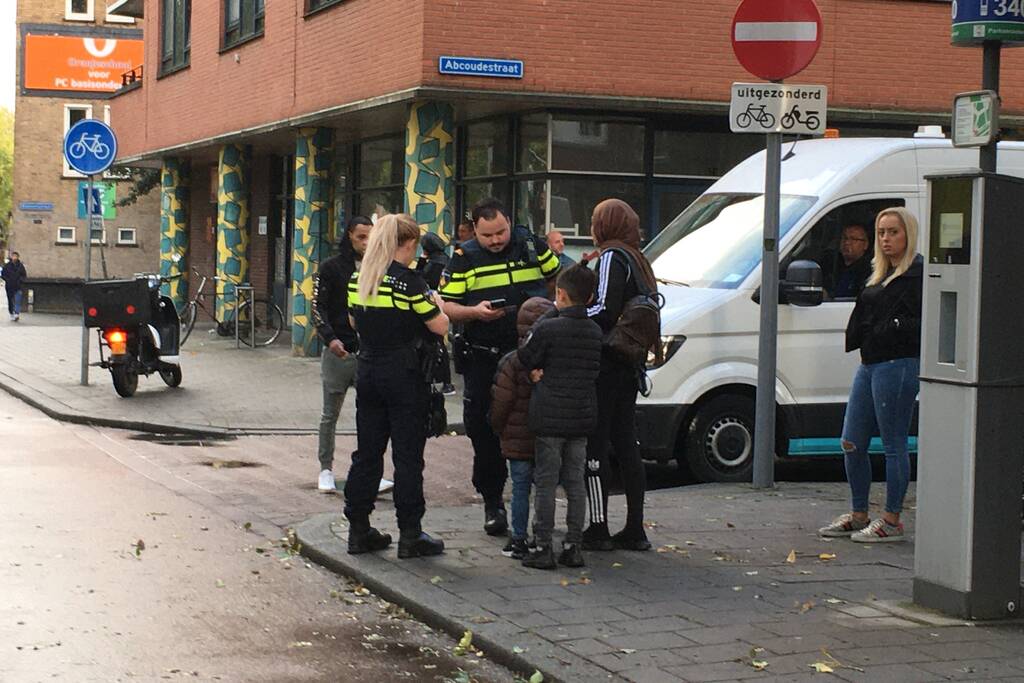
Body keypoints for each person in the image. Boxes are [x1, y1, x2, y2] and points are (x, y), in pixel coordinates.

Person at [440, 197, 561, 536]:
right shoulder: (464, 258)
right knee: (483, 427)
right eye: (487, 235)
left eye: (501, 232)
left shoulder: (531, 245)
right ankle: (493, 502)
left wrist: (542, 308)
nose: (495, 240)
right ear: (474, 231)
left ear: (510, 222)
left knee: (535, 426)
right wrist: (474, 313)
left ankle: (539, 507)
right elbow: (447, 306)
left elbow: (556, 279)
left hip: (530, 353)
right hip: (483, 355)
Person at [344, 213, 451, 558]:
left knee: (367, 453)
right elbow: (438, 327)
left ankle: (358, 529)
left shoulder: (359, 278)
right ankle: (410, 533)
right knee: (407, 456)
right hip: (404, 374)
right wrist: (438, 306)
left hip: (368, 370)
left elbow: (352, 320)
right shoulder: (408, 282)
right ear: (409, 244)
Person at [820, 207, 922, 543]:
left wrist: (891, 327)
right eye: (881, 232)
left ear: (908, 234)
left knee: (893, 443)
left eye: (893, 232)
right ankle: (859, 512)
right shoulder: (878, 272)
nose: (886, 239)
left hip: (898, 362)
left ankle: (891, 519)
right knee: (851, 440)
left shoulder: (918, 273)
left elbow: (925, 321)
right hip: (870, 362)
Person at [583, 199, 658, 552]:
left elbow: (603, 309)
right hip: (630, 363)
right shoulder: (638, 258)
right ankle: (635, 528)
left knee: (596, 444)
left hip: (607, 363)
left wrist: (569, 314)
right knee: (627, 443)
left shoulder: (612, 256)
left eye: (596, 220)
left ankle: (597, 527)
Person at [517, 265, 603, 569]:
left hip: (550, 415)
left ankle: (543, 546)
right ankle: (573, 545)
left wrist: (548, 314)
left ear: (560, 294)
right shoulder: (595, 332)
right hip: (581, 416)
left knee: (546, 482)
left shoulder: (549, 328)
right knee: (575, 482)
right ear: (591, 297)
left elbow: (525, 355)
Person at [312, 217, 394, 495]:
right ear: (349, 236)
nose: (367, 242)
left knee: (372, 415)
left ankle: (372, 471)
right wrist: (330, 338)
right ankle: (325, 469)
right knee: (330, 413)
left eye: (370, 236)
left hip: (369, 352)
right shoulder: (331, 268)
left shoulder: (379, 267)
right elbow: (317, 306)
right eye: (361, 237)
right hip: (340, 350)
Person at [489, 296, 556, 560]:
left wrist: (499, 427)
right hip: (546, 434)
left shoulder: (512, 361)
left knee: (519, 488)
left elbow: (501, 401)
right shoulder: (553, 359)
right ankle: (542, 537)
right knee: (544, 486)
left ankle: (518, 538)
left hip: (517, 438)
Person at [823, 223, 872, 299]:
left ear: (865, 244)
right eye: (845, 238)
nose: (847, 243)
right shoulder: (832, 264)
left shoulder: (867, 270)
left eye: (853, 239)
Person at [2, 252, 27, 322]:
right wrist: (8, 280)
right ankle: (11, 313)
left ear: (18, 257)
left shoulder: (20, 266)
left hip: (18, 286)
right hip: (9, 286)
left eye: (16, 256)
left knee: (17, 300)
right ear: (11, 257)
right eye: (13, 256)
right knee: (10, 300)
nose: (14, 257)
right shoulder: (7, 266)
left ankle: (16, 313)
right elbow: (3, 275)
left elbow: (24, 275)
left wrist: (20, 280)